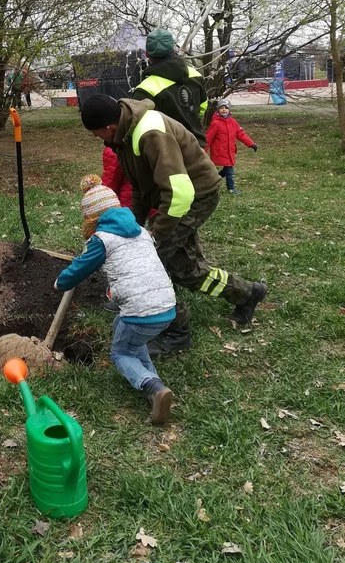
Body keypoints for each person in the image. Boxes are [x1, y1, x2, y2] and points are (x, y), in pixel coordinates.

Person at [79, 94, 267, 354]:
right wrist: (134, 229)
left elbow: (180, 193)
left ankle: (177, 332)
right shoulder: (125, 136)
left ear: (108, 126)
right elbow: (140, 188)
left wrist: (154, 239)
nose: (97, 138)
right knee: (185, 269)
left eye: (96, 133)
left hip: (194, 196)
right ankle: (247, 294)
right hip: (177, 197)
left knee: (152, 262)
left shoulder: (150, 133)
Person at [54, 174, 176, 425]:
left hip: (142, 312)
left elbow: (81, 268)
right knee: (124, 330)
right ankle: (154, 384)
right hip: (167, 305)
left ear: (91, 218)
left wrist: (61, 282)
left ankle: (152, 388)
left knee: (120, 352)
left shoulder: (102, 239)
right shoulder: (141, 232)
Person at [132, 28, 208, 146]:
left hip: (167, 152)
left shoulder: (144, 89)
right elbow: (202, 107)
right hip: (197, 147)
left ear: (147, 54)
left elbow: (142, 127)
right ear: (173, 50)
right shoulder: (196, 75)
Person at [205, 99, 257, 195]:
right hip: (220, 151)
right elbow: (208, 138)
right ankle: (231, 188)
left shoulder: (233, 122)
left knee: (227, 170)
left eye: (226, 108)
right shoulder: (215, 123)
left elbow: (240, 134)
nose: (224, 110)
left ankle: (212, 181)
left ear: (229, 110)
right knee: (229, 171)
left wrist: (251, 143)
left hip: (230, 151)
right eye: (221, 108)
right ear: (218, 110)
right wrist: (202, 151)